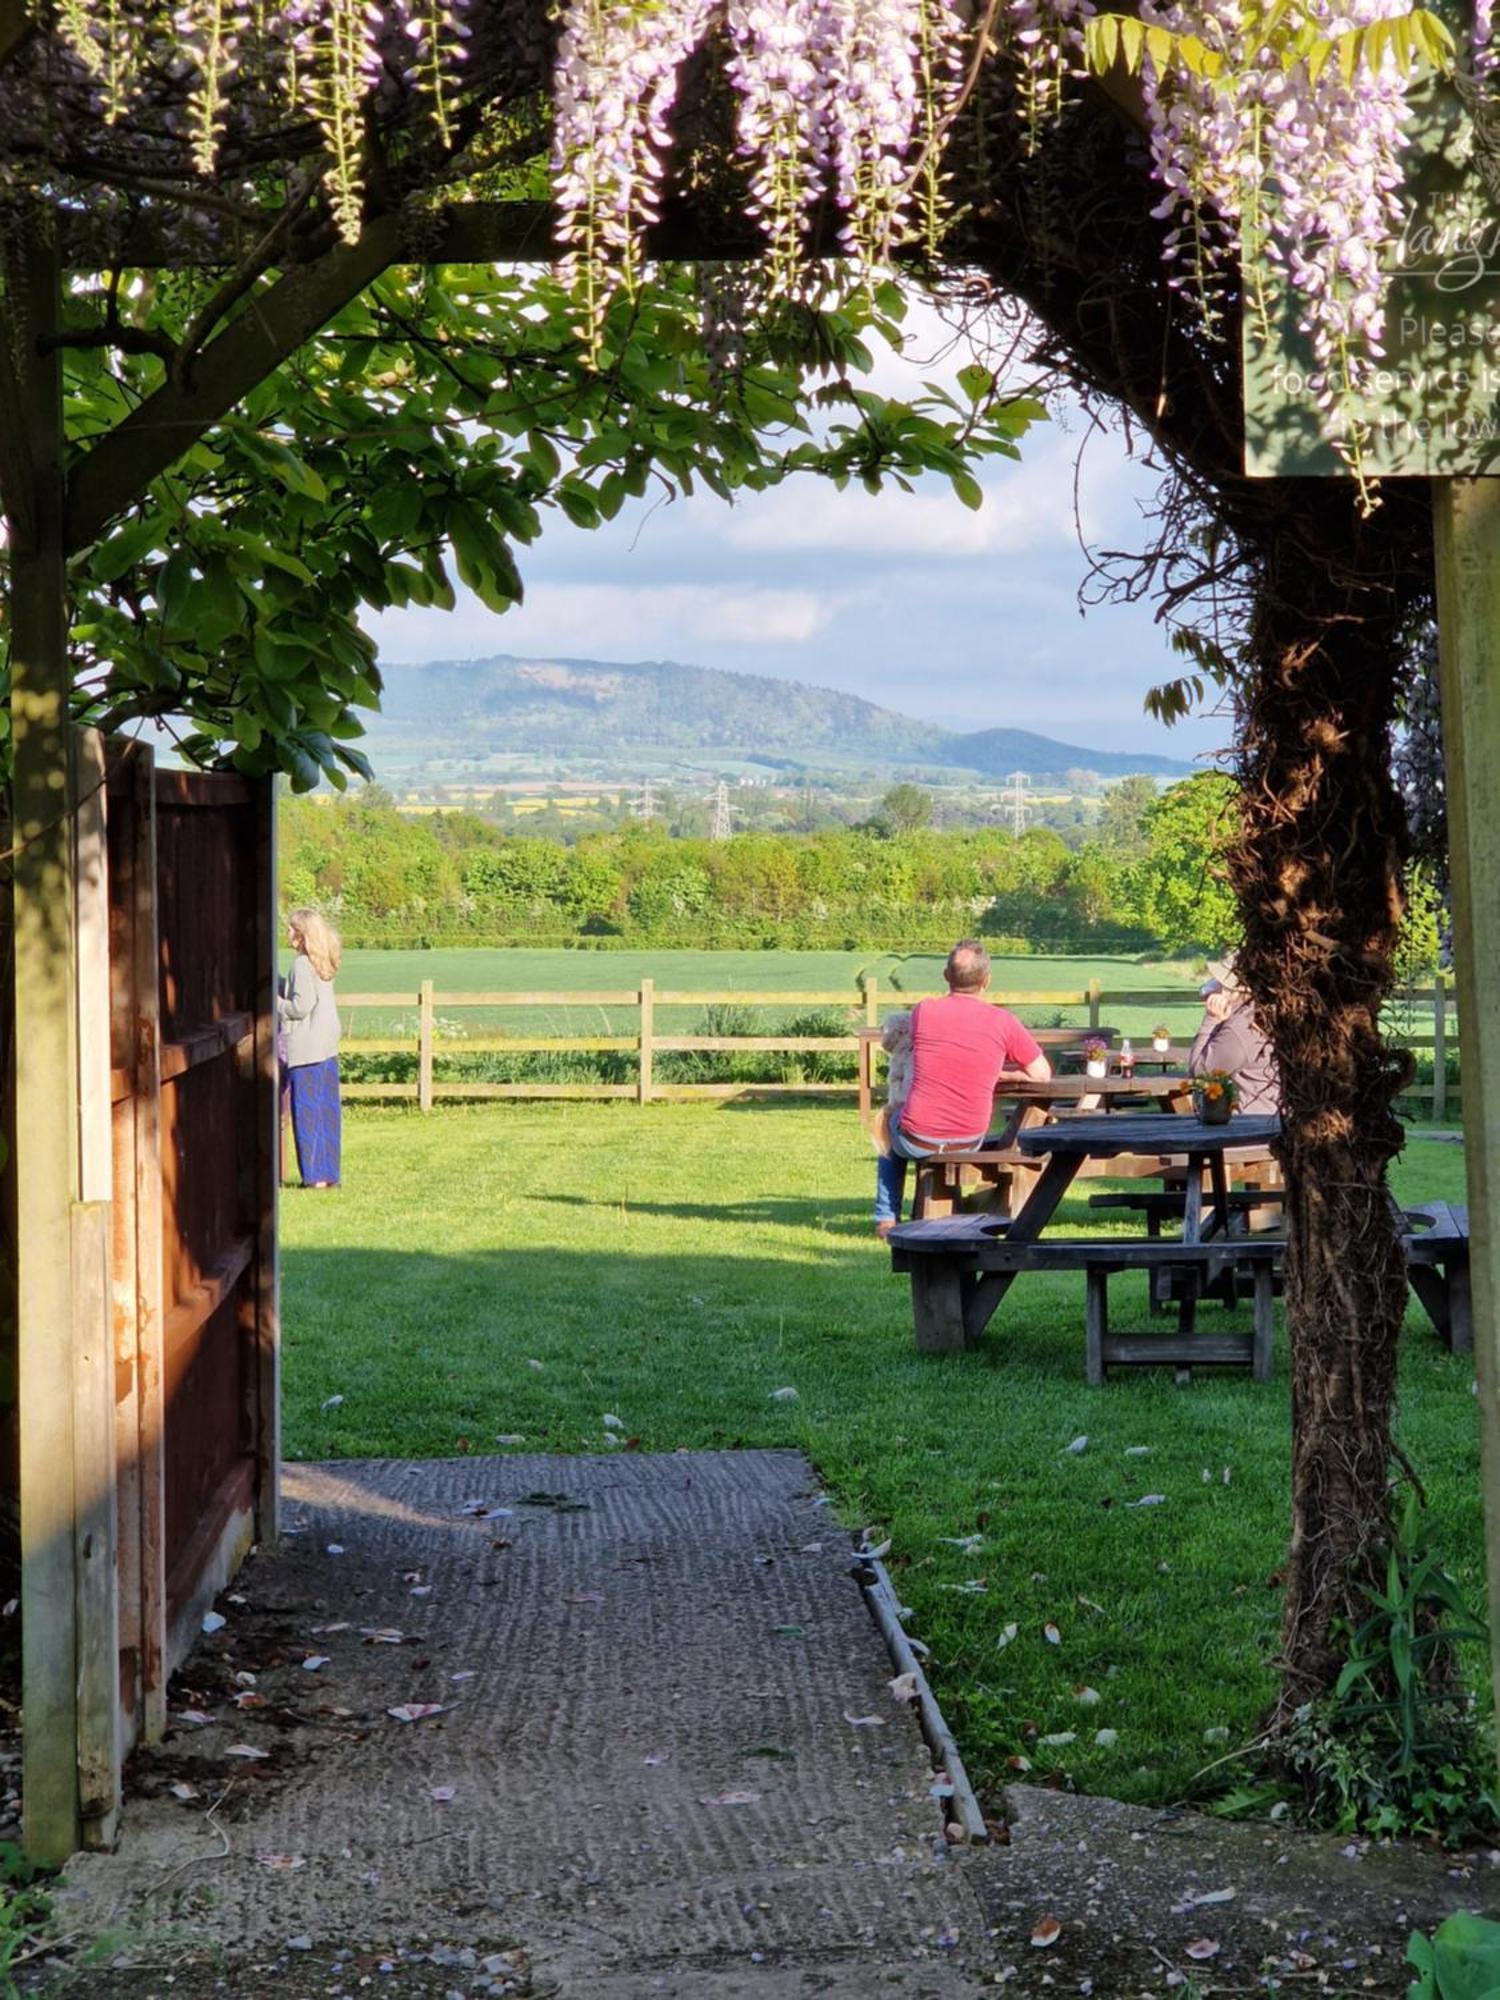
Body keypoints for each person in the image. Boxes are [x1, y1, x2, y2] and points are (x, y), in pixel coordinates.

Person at [875, 940, 1051, 1236]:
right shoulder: (1004, 1022)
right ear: (987, 980)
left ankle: (886, 1217)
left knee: (885, 1125)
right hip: (969, 1139)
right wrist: (1001, 1074)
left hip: (918, 1138)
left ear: (946, 976)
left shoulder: (924, 1012)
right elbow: (1042, 1074)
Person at [280, 907, 343, 1188]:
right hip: (327, 1045)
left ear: (301, 935)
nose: (288, 932)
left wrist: (275, 1002)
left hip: (307, 1047)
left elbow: (300, 1006)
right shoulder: (322, 961)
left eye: (292, 928)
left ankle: (314, 1177)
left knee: (306, 1113)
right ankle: (329, 1174)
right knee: (327, 1111)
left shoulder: (301, 964)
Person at [1188, 958, 1279, 1113]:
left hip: (1254, 1122)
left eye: (1219, 982)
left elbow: (1201, 1072)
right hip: (1271, 1115)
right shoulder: (1261, 1014)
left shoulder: (1241, 1028)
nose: (1213, 986)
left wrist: (1211, 1019)